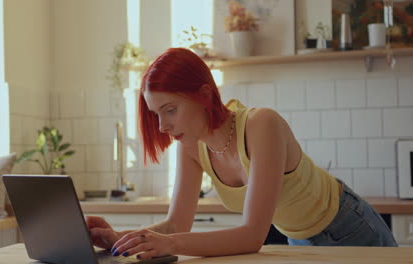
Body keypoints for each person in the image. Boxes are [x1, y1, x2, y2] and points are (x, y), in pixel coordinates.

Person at [86, 48, 397, 260]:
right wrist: (120, 238)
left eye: (170, 110)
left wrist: (172, 244)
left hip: (348, 226)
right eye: (156, 114)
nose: (163, 126)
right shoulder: (191, 146)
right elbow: (174, 225)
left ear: (204, 94)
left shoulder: (262, 124)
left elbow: (251, 236)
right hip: (298, 239)